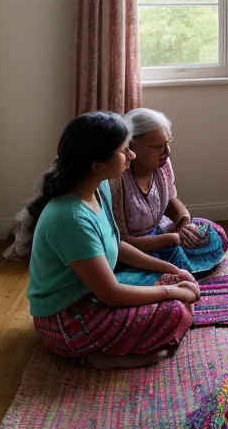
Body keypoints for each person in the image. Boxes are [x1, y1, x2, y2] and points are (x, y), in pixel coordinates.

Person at [25, 112, 199, 369]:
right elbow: (111, 294)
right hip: (67, 320)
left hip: (92, 295)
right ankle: (93, 356)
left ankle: (115, 349)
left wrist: (170, 269)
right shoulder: (71, 219)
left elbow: (116, 245)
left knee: (177, 283)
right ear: (96, 164)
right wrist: (170, 292)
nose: (132, 156)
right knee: (175, 310)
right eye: (124, 150)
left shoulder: (99, 188)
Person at [110, 108, 228, 277]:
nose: (167, 152)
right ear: (131, 145)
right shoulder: (116, 179)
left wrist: (183, 222)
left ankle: (174, 269)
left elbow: (170, 201)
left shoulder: (162, 164)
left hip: (162, 231)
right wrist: (170, 239)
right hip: (134, 249)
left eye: (168, 143)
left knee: (210, 232)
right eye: (157, 147)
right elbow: (120, 242)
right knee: (139, 271)